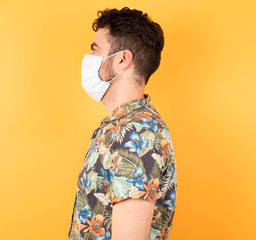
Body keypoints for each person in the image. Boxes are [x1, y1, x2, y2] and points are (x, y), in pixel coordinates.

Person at [68, 7, 177, 240]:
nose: (88, 59)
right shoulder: (119, 127)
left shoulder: (136, 133)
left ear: (121, 60)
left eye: (95, 50)